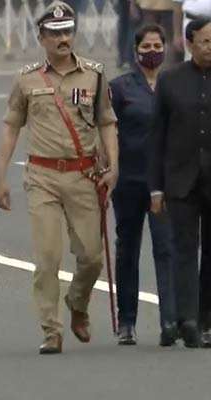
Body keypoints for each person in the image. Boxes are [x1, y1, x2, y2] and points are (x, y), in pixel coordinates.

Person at [0, 1, 118, 355]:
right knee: (47, 259)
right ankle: (51, 330)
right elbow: (11, 127)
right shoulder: (26, 78)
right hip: (43, 176)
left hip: (84, 175)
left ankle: (77, 303)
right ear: (41, 37)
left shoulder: (94, 73)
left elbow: (107, 122)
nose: (63, 39)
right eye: (55, 33)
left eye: (67, 32)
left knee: (92, 257)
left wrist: (114, 166)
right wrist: (0, 175)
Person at [109, 23, 177, 346]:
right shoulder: (120, 88)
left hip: (163, 184)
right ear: (135, 52)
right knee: (128, 250)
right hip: (129, 180)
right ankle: (127, 321)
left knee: (166, 249)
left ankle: (170, 320)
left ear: (165, 48)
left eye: (157, 46)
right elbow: (106, 130)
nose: (152, 52)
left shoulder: (174, 84)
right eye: (146, 47)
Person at [149, 18, 211, 348]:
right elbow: (156, 137)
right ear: (189, 43)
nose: (210, 48)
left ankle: (206, 320)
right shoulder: (171, 81)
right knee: (185, 251)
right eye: (205, 42)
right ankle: (187, 319)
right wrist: (156, 187)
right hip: (181, 182)